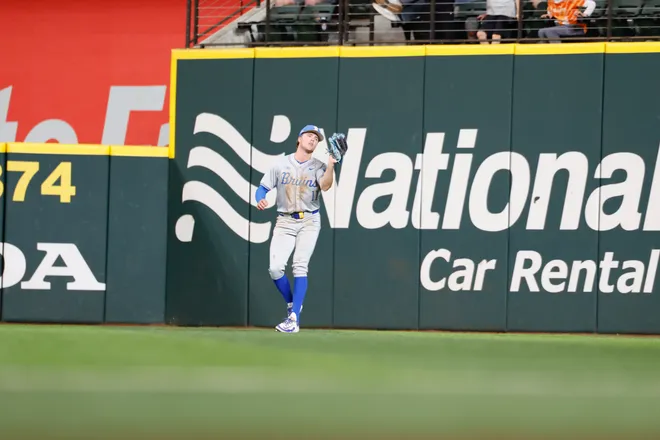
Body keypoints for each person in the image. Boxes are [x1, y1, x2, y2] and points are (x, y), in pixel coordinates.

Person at [254, 124, 337, 333]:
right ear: (299, 139)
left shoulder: (319, 166)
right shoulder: (281, 165)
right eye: (309, 135)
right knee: (275, 268)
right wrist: (260, 199)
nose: (313, 140)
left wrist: (331, 164)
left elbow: (326, 185)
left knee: (300, 265)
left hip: (309, 221)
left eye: (316, 138)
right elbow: (262, 188)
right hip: (285, 221)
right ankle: (293, 305)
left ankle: (294, 318)